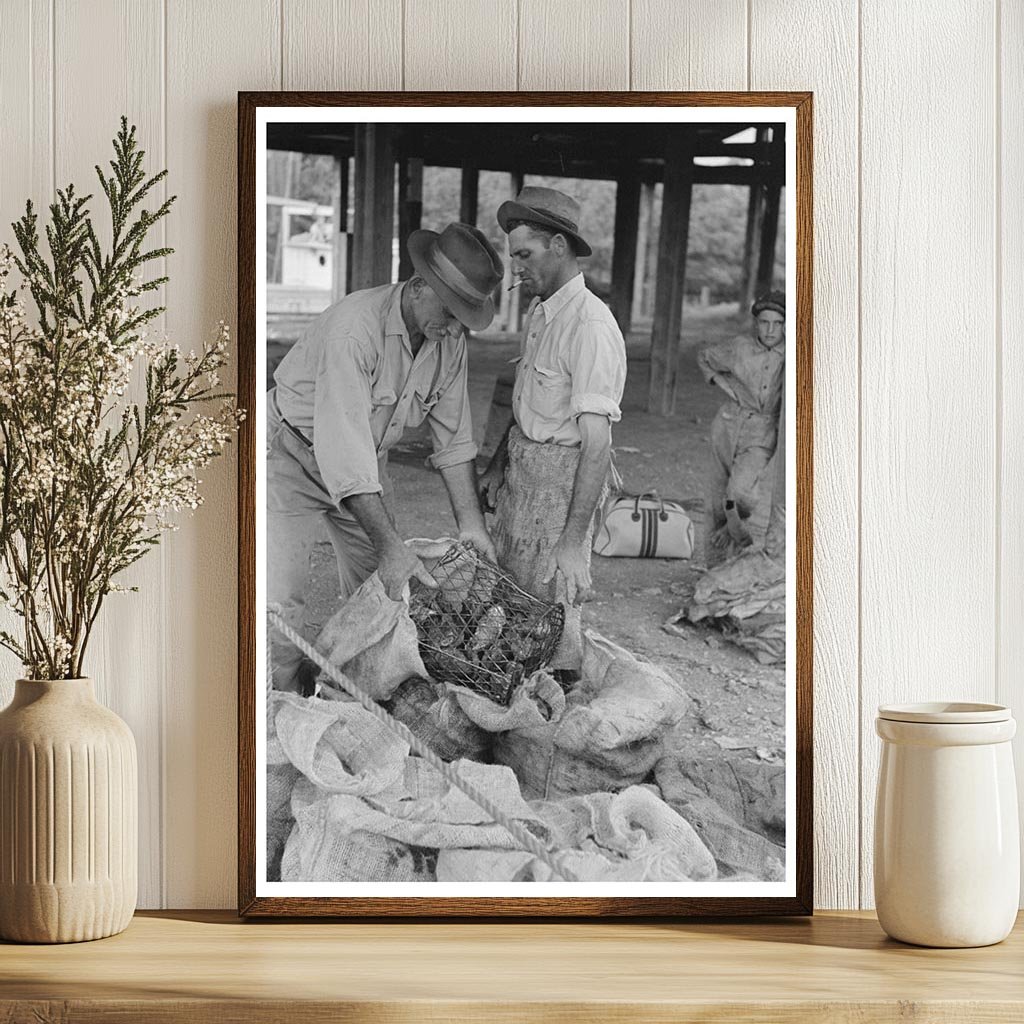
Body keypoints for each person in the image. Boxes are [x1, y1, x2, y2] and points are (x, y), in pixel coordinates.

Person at [268, 222, 504, 693]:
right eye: (450, 310)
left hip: (365, 463)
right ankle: (279, 712)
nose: (454, 326)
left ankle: (356, 695)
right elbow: (342, 450)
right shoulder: (354, 332)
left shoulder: (447, 341)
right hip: (290, 457)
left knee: (384, 588)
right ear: (418, 287)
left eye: (464, 317)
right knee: (280, 602)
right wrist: (391, 545)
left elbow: (454, 441)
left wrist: (472, 526)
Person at [479, 186, 627, 674]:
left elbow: (598, 445)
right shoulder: (542, 313)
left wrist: (570, 543)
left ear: (559, 246)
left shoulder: (590, 326)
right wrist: (497, 466)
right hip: (523, 476)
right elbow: (525, 405)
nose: (516, 267)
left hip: (561, 489)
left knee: (551, 614)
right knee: (511, 598)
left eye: (525, 254)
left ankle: (547, 709)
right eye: (513, 255)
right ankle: (508, 698)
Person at [697, 289, 786, 564]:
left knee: (740, 494)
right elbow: (705, 357)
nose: (770, 330)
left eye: (777, 323)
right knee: (716, 495)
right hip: (727, 424)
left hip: (762, 431)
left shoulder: (792, 356)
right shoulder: (739, 347)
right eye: (764, 322)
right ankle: (714, 565)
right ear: (756, 323)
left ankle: (733, 531)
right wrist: (720, 383)